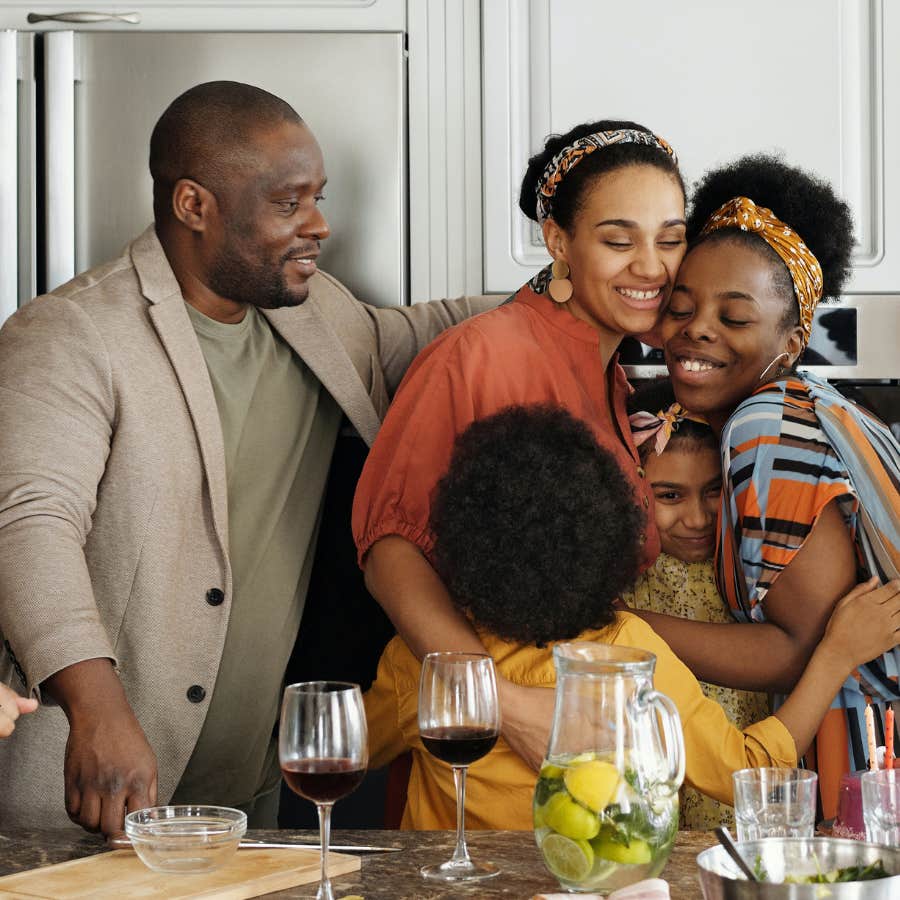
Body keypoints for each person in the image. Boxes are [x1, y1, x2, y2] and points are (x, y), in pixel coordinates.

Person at [0, 80, 495, 833]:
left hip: (252, 791)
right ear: (194, 205)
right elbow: (30, 525)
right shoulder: (71, 333)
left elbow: (420, 335)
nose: (319, 225)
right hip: (92, 785)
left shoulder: (315, 311)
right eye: (288, 203)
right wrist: (95, 714)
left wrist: (577, 281)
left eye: (317, 198)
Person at [364, 405, 900, 829]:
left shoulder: (418, 660)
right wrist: (837, 653)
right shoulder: (627, 648)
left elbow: (353, 750)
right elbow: (750, 769)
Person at [353, 120, 688, 770]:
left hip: (590, 742)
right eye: (619, 240)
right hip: (481, 754)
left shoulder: (615, 382)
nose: (652, 266)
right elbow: (391, 552)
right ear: (558, 239)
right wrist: (504, 705)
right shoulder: (477, 356)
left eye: (670, 240)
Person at [638, 154, 900, 819]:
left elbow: (797, 650)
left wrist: (617, 628)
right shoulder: (820, 406)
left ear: (789, 342)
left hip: (862, 756)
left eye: (735, 317)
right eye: (683, 306)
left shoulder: (765, 424)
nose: (697, 328)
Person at [622, 380, 769, 829]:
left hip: (748, 771)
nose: (698, 518)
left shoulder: (748, 562)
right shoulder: (622, 578)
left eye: (713, 490)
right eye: (669, 496)